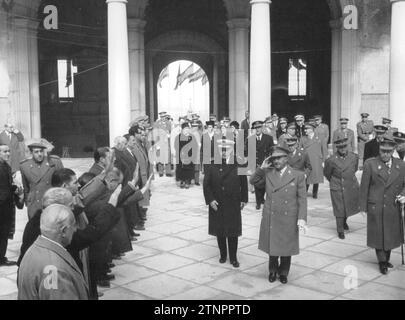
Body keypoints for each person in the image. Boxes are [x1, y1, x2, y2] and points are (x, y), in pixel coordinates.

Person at [250, 146, 307, 284]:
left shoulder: (297, 175)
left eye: (279, 158)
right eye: (274, 158)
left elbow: (302, 199)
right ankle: (272, 271)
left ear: (286, 159)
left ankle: (284, 272)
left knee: (286, 248)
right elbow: (253, 181)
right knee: (273, 247)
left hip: (289, 217)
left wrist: (302, 218)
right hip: (272, 215)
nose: (276, 161)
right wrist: (261, 169)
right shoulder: (268, 173)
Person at [18, 204, 89, 300]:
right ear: (63, 231)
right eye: (73, 226)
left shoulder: (32, 250)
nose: (75, 229)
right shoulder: (56, 270)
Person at [359, 138, 405, 274]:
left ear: (393, 151)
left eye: (388, 152)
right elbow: (364, 187)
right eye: (382, 151)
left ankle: (386, 258)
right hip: (376, 205)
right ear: (379, 150)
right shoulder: (370, 164)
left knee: (390, 234)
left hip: (393, 205)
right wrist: (362, 206)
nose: (385, 154)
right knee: (378, 234)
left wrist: (403, 195)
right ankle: (382, 262)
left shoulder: (400, 165)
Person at [203, 139, 248, 268]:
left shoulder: (239, 164)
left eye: (226, 149)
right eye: (221, 149)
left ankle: (233, 257)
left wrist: (244, 199)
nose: (223, 152)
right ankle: (223, 255)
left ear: (232, 149)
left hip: (233, 201)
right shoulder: (211, 164)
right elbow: (206, 185)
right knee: (220, 230)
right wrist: (210, 200)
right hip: (217, 202)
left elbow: (244, 183)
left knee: (233, 231)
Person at [324, 138, 360, 239]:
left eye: (344, 146)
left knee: (348, 206)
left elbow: (355, 169)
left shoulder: (354, 157)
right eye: (340, 147)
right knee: (339, 208)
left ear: (347, 146)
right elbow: (327, 173)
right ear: (337, 148)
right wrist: (335, 181)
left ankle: (344, 222)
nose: (343, 149)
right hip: (337, 186)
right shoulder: (331, 160)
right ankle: (340, 230)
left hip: (350, 185)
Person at [20, 142, 64, 219]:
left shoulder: (53, 163)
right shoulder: (24, 166)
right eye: (36, 152)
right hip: (34, 204)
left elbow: (62, 182)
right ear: (31, 153)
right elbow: (26, 187)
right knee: (35, 228)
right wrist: (28, 201)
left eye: (41, 151)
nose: (39, 154)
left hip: (50, 201)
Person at [0, 144, 23, 266]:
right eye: (4, 151)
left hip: (6, 206)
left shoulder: (6, 166)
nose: (8, 153)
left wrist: (14, 187)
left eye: (8, 151)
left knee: (4, 233)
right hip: (2, 205)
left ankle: (1, 258)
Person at [248, 121, 274, 210]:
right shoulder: (250, 139)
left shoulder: (268, 138)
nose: (257, 129)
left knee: (264, 182)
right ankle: (258, 202)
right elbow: (248, 152)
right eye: (255, 128)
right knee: (256, 182)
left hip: (266, 164)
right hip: (256, 164)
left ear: (262, 128)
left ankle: (262, 198)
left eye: (259, 127)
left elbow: (272, 150)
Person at [299, 122, 326, 199]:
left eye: (307, 129)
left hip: (317, 160)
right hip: (307, 160)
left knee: (316, 177)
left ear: (312, 129)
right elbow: (299, 150)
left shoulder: (320, 138)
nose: (305, 131)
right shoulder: (303, 138)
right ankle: (304, 192)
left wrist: (324, 161)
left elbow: (324, 150)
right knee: (307, 176)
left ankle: (315, 193)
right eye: (305, 129)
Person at [174, 122, 199, 189]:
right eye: (185, 129)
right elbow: (176, 146)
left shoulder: (192, 137)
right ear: (182, 130)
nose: (186, 130)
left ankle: (188, 181)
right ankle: (182, 181)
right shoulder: (178, 137)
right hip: (181, 156)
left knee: (188, 169)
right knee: (181, 169)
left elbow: (195, 146)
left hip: (189, 156)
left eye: (188, 128)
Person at [155, 111, 173, 177]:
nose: (163, 118)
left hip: (167, 142)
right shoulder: (157, 123)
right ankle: (161, 172)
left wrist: (169, 135)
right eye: (162, 117)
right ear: (160, 117)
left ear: (166, 117)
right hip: (160, 142)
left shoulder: (169, 123)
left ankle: (168, 172)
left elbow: (171, 131)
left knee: (168, 157)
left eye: (164, 117)